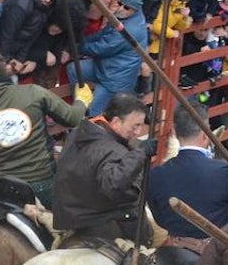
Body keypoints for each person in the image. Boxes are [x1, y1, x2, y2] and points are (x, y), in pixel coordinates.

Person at [0, 49, 86, 209]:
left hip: (2, 186)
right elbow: (73, 118)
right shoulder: (34, 92)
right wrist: (82, 100)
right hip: (41, 183)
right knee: (71, 220)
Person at [147, 101, 228, 255]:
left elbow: (159, 217)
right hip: (211, 255)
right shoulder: (222, 172)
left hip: (173, 252)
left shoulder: (156, 174)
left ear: (176, 132)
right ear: (205, 135)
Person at [53, 92, 154, 241]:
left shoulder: (78, 133)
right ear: (115, 122)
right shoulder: (113, 151)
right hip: (100, 219)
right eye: (135, 126)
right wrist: (140, 154)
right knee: (153, 240)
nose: (138, 132)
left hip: (69, 214)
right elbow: (114, 184)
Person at [72, 0, 148, 115]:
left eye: (126, 7)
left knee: (93, 111)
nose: (121, 8)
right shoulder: (125, 17)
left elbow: (104, 47)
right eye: (120, 3)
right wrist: (81, 41)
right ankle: (79, 104)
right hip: (107, 66)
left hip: (115, 79)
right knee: (74, 69)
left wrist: (77, 47)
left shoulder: (131, 29)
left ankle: (84, 118)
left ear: (135, 9)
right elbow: (103, 34)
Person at [0, 0, 59, 79]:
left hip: (15, 54)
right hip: (1, 52)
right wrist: (6, 61)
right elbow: (6, 35)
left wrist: (19, 61)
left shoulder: (44, 8)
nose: (48, 0)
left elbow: (31, 38)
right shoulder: (21, 3)